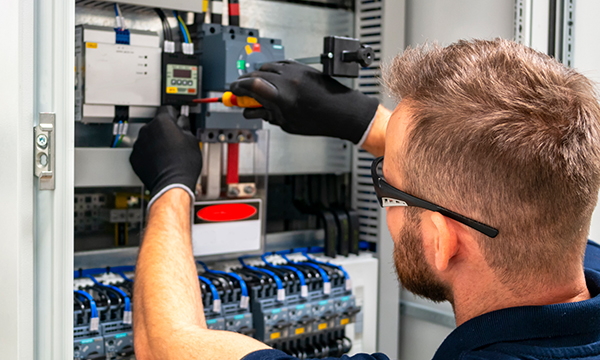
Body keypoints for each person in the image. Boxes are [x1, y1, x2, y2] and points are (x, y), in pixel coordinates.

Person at [129, 39, 600, 360]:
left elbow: (163, 342)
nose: (385, 203)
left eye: (388, 189)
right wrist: (363, 121)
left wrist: (171, 185)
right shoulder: (562, 238)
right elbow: (507, 159)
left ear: (441, 240)